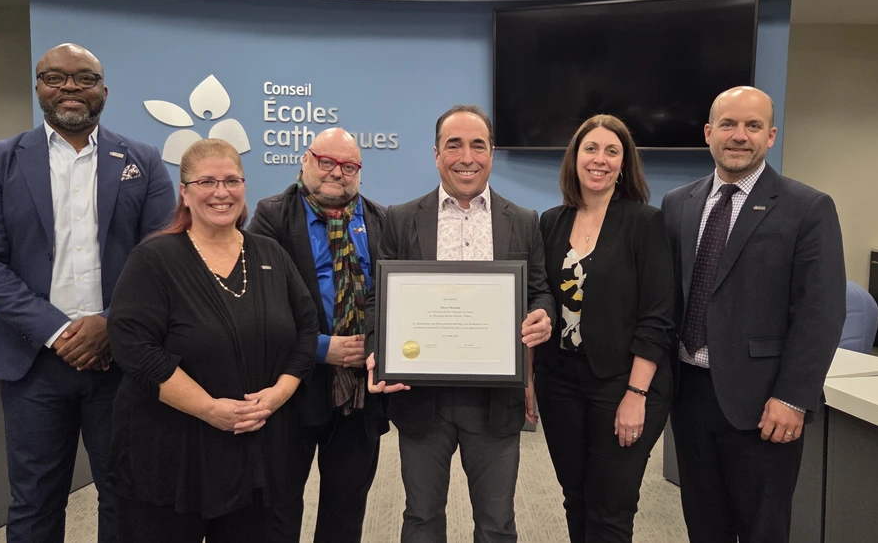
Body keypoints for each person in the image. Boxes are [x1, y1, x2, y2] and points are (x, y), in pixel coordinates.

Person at [0, 43, 175, 543]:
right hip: (32, 360)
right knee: (35, 499)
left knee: (125, 494)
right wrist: (59, 331)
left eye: (84, 78)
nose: (70, 88)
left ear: (103, 90)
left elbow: (164, 260)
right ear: (39, 85)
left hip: (122, 360)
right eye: (56, 78)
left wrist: (110, 323)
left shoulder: (143, 161)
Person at [106, 139, 318, 542]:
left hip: (256, 450)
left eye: (231, 180)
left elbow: (305, 329)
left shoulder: (269, 253)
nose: (221, 193)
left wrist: (279, 393)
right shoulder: (154, 259)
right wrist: (208, 409)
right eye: (206, 182)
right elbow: (134, 348)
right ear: (184, 193)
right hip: (172, 455)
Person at [660, 86, 846, 543]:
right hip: (689, 396)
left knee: (762, 529)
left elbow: (820, 311)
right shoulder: (676, 204)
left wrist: (793, 396)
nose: (739, 135)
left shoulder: (808, 208)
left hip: (764, 403)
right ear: (708, 133)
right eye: (728, 124)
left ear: (771, 135)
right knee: (703, 524)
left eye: (752, 126)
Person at [366, 104, 555, 543]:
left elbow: (540, 291)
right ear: (436, 154)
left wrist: (544, 315)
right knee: (422, 518)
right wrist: (379, 351)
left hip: (495, 402)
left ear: (491, 153)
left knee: (496, 523)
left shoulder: (523, 221)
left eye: (478, 145)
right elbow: (381, 298)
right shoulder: (401, 217)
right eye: (454, 145)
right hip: (421, 400)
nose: (466, 156)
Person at [536, 115, 674, 542]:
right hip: (558, 380)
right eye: (590, 149)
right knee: (575, 497)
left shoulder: (644, 222)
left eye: (611, 151)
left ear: (624, 162)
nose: (600, 159)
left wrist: (636, 396)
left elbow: (658, 315)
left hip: (622, 382)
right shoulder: (551, 221)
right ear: (575, 159)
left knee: (611, 506)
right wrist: (526, 378)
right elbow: (538, 303)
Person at [248, 128, 387, 542]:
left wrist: (377, 343)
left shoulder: (379, 220)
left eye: (348, 166)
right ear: (305, 161)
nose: (336, 173)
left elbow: (393, 296)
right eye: (326, 162)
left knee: (346, 508)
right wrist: (323, 349)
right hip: (293, 387)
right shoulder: (272, 216)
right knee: (279, 505)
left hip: (359, 394)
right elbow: (261, 305)